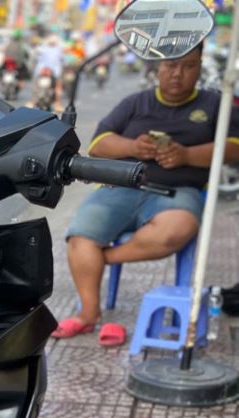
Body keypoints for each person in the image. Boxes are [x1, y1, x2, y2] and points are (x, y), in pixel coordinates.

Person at [53, 42, 239, 344]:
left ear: (199, 67)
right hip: (122, 188)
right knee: (80, 235)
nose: (177, 74)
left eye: (188, 66)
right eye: (170, 66)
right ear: (158, 68)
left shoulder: (215, 104)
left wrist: (186, 155)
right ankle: (88, 314)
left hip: (179, 193)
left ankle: (102, 258)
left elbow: (234, 148)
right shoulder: (136, 102)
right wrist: (133, 147)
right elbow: (97, 145)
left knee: (175, 230)